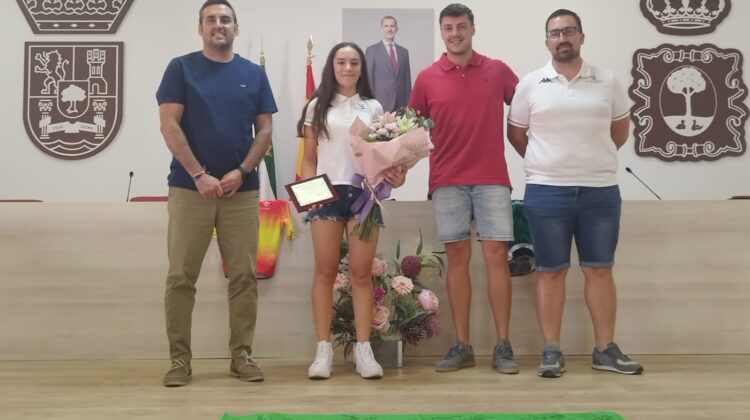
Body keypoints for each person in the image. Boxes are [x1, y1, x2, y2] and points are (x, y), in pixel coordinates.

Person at [507, 8, 644, 378]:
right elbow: (516, 134)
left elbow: (619, 131)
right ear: (547, 42)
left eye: (569, 31)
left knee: (600, 270)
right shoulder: (531, 83)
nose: (562, 38)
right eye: (555, 33)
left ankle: (605, 350)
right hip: (546, 191)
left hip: (600, 191)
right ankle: (552, 351)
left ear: (581, 37)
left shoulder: (607, 80)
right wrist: (549, 163)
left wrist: (590, 160)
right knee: (551, 272)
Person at [156, 0, 278, 387]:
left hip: (241, 191)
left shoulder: (254, 74)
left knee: (243, 277)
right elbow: (169, 125)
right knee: (181, 277)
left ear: (235, 28)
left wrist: (242, 171)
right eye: (210, 19)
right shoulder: (180, 68)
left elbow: (265, 130)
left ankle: (241, 356)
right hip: (189, 189)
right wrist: (199, 174)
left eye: (225, 19)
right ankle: (179, 361)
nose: (218, 25)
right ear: (200, 28)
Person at [408, 3, 520, 374]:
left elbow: (530, 106)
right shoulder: (426, 78)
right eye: (448, 28)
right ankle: (462, 345)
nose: (455, 33)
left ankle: (503, 345)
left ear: (473, 28)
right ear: (441, 32)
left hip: (492, 179)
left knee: (496, 258)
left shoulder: (498, 70)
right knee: (457, 259)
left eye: (461, 26)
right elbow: (411, 132)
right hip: (447, 181)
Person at [297, 42, 406, 380]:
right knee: (324, 272)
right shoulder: (317, 105)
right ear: (332, 66)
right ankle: (323, 351)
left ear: (362, 68)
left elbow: (385, 157)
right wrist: (308, 193)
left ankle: (364, 350)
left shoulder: (373, 107)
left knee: (361, 273)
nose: (347, 68)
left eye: (354, 62)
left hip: (364, 194)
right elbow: (309, 157)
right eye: (341, 62)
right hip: (327, 194)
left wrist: (397, 175)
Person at [364, 16, 412, 112]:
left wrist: (409, 104)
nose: (389, 29)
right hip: (379, 104)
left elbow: (407, 81)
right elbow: (368, 80)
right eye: (386, 26)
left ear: (396, 29)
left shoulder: (404, 52)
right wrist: (370, 103)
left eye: (392, 26)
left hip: (401, 104)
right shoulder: (371, 50)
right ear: (381, 29)